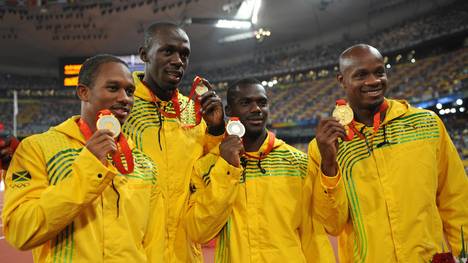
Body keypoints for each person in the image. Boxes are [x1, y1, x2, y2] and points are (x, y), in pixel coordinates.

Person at [2, 54, 164, 262]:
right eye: (113, 88)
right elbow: (20, 232)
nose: (125, 98)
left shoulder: (144, 163)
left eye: (129, 91)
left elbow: (154, 246)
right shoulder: (37, 149)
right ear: (83, 92)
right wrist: (90, 166)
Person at [185, 78, 348, 262]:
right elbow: (198, 231)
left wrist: (329, 165)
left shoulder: (298, 163)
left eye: (262, 103)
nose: (256, 109)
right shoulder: (207, 167)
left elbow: (332, 224)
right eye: (246, 103)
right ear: (229, 111)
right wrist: (227, 168)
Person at [333, 44, 468, 262]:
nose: (373, 81)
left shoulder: (427, 124)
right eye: (361, 75)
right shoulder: (331, 145)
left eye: (379, 72)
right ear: (342, 81)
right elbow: (332, 222)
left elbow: (456, 198)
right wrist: (328, 165)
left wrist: (464, 254)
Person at [122, 22, 225, 262]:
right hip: (133, 252)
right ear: (144, 55)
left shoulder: (193, 111)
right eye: (168, 51)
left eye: (184, 54)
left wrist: (217, 129)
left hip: (185, 253)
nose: (179, 60)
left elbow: (209, 171)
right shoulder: (122, 107)